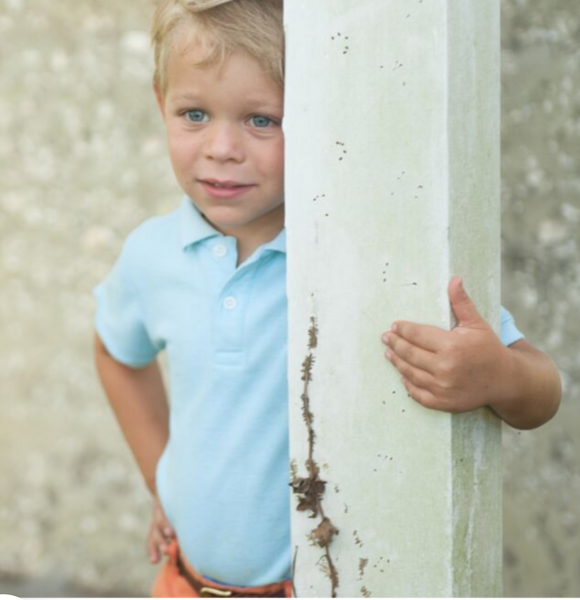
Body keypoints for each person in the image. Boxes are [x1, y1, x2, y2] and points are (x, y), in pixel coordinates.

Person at [93, 0, 562, 597]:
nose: (221, 148)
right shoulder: (151, 256)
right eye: (194, 114)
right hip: (181, 581)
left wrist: (497, 377)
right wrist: (162, 481)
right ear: (161, 103)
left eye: (262, 120)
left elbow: (542, 389)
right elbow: (115, 353)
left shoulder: (366, 262)